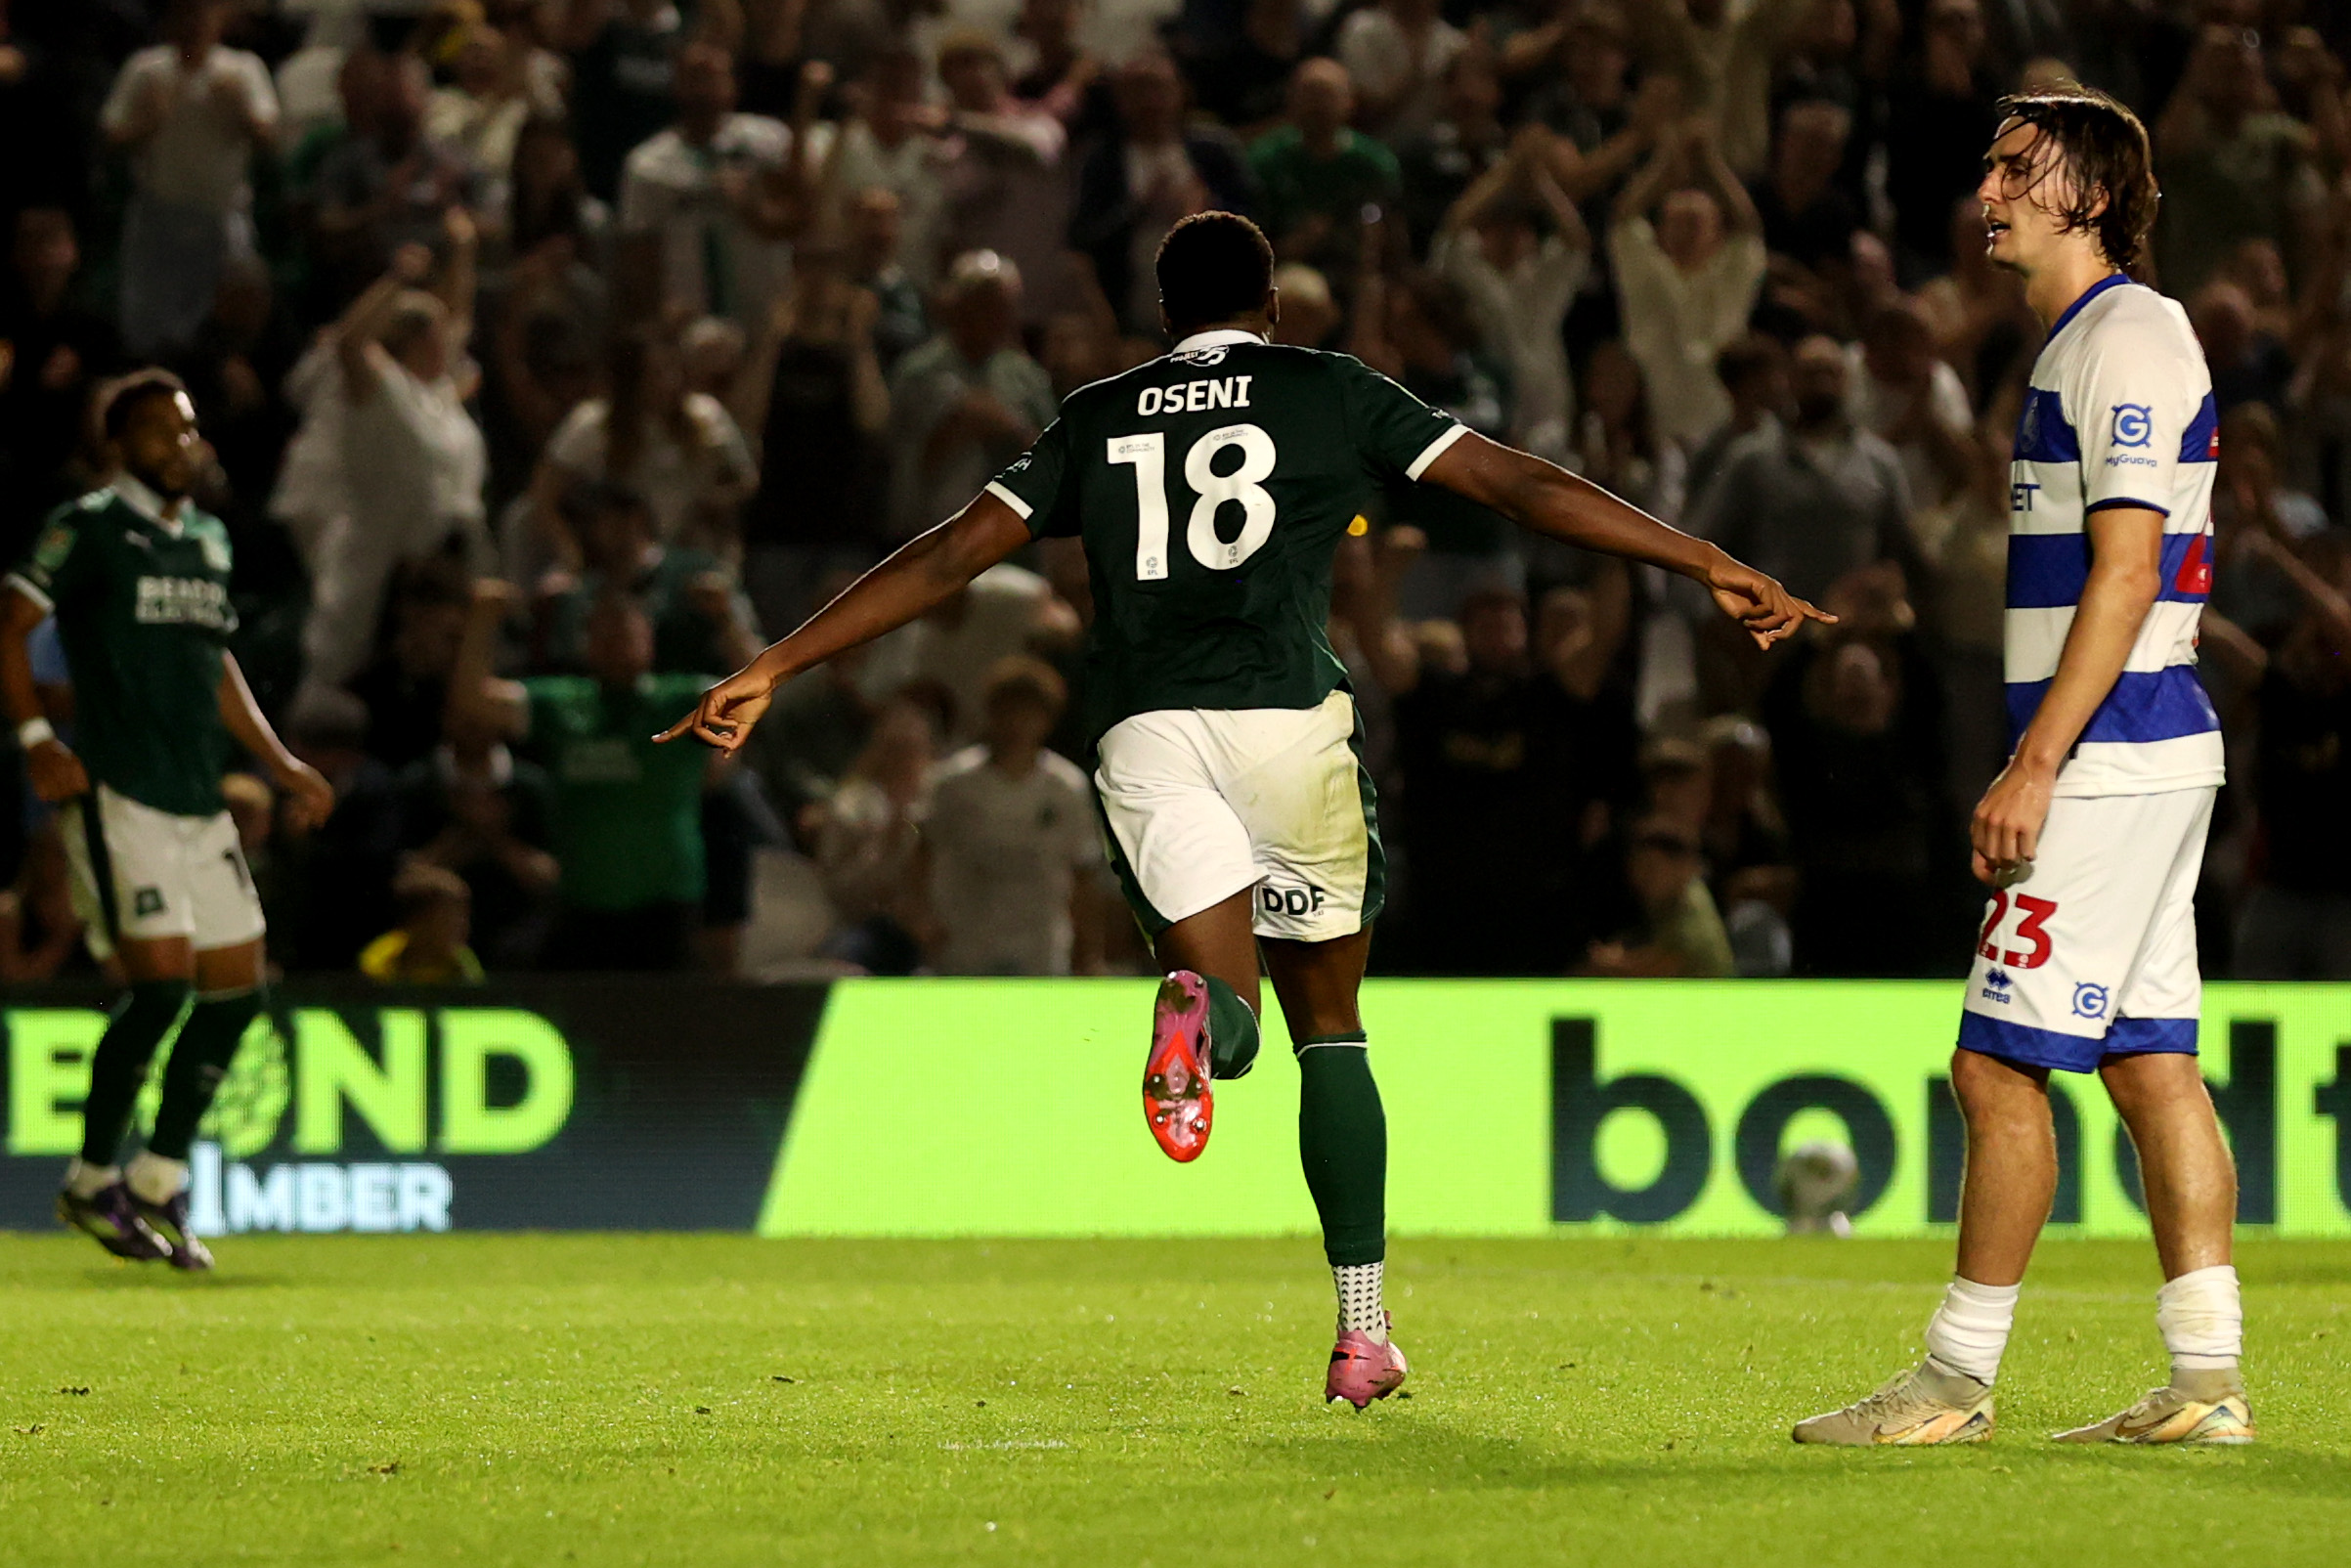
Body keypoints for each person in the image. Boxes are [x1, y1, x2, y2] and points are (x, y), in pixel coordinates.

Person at [662, 211, 1826, 1407]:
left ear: (1163, 312)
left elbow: (952, 552)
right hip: (1288, 728)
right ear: (1269, 304)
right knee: (1331, 1027)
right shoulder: (1330, 389)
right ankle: (1360, 1333)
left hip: (1148, 731)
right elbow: (1515, 484)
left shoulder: (1096, 414)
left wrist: (775, 662)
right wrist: (1702, 559)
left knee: (1230, 1007)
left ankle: (1202, 1010)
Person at [1797, 87, 2248, 1448]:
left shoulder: (2125, 335)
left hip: (2109, 753)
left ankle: (1951, 1381)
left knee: (1994, 1068)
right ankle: (2205, 1380)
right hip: (2144, 745)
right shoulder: (2087, 340)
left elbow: (2127, 570)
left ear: (2089, 197)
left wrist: (2037, 760)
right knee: (2151, 1065)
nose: (1985, 190)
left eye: (2015, 168)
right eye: (1988, 167)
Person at [0, 370, 335, 1271]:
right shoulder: (90, 526)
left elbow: (213, 661)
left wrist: (278, 762)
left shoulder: (209, 540)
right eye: (155, 429)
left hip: (200, 799)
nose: (177, 443)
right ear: (119, 444)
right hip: (124, 794)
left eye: (185, 428)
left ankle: (156, 1180)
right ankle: (89, 1180)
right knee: (160, 990)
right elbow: (10, 622)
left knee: (237, 993)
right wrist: (35, 737)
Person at [924, 656, 1101, 976]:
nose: (1017, 724)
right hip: (967, 941)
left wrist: (1088, 948)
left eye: (1029, 714)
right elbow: (922, 854)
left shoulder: (1066, 788)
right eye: (1009, 712)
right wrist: (923, 919)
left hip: (1040, 945)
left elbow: (1083, 870)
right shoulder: (954, 783)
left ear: (1047, 720)